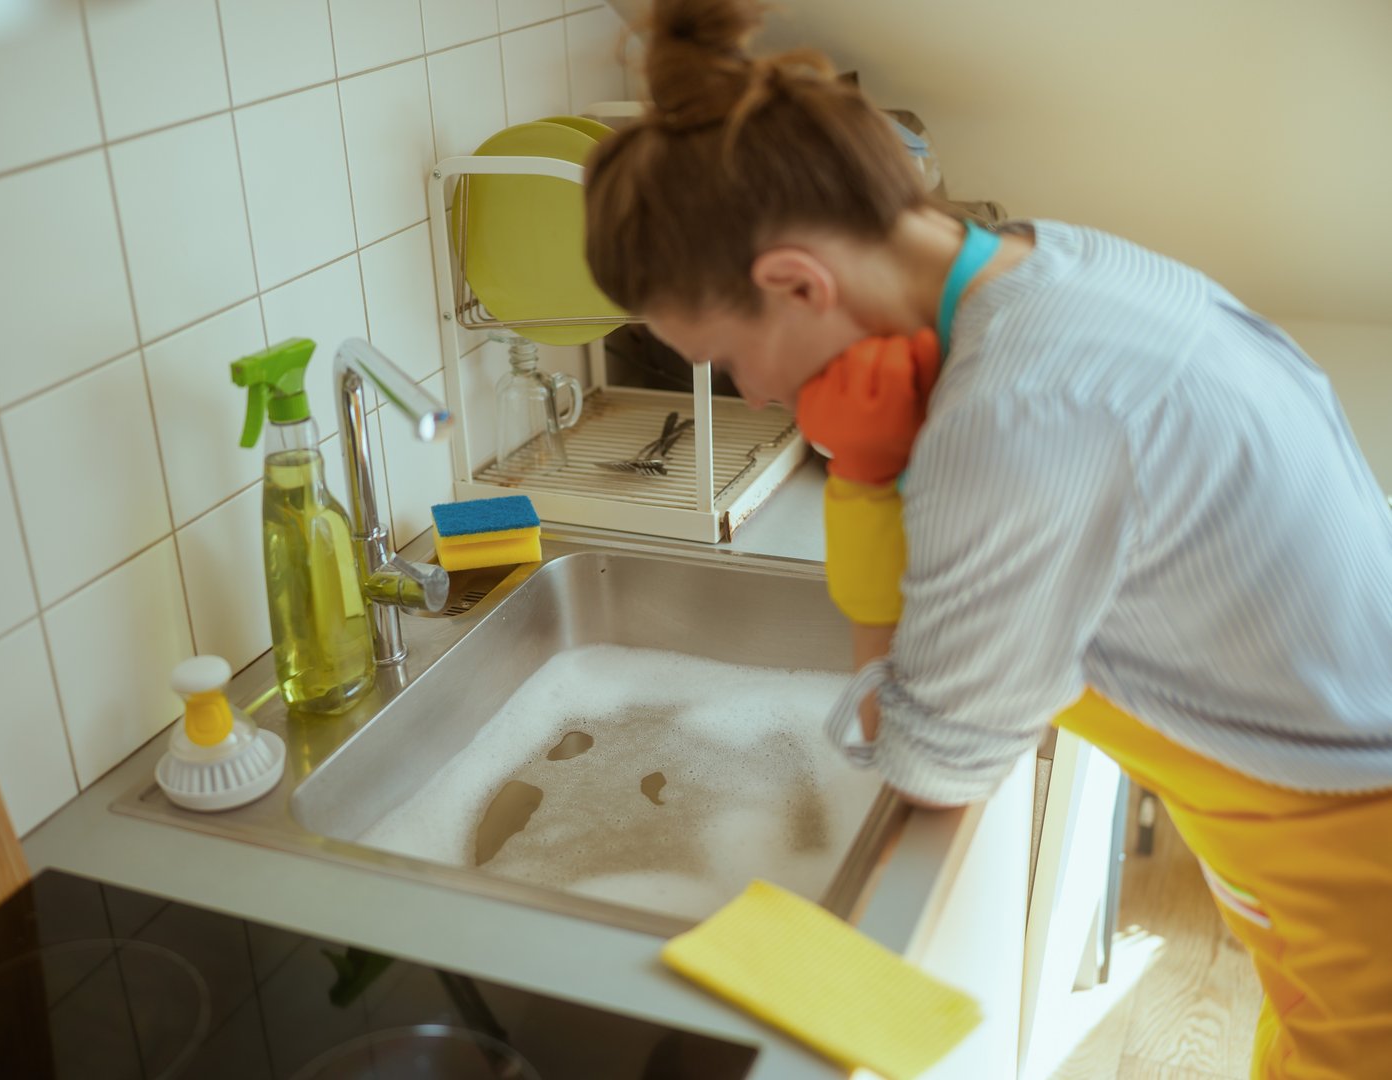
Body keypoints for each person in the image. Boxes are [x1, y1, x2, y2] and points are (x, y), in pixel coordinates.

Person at [580, 1, 1392, 1076]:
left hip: (1353, 852)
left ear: (795, 282)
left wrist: (866, 481)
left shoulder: (1015, 413)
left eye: (728, 355)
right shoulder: (1054, 263)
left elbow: (930, 759)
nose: (757, 392)